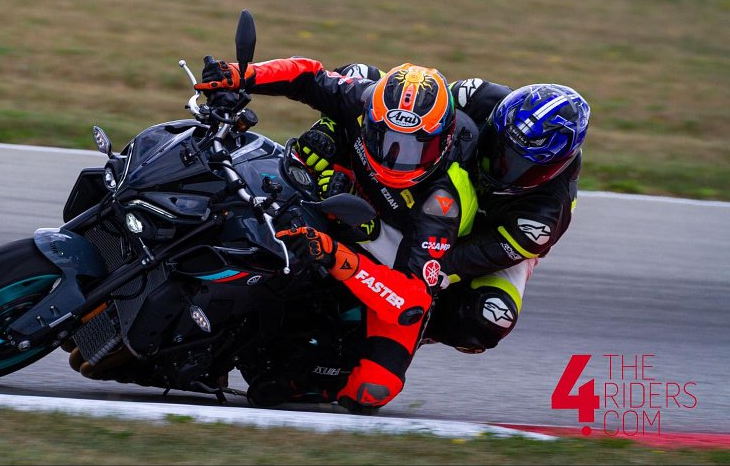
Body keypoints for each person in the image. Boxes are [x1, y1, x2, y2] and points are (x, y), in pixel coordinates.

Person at [195, 56, 479, 413]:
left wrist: (335, 255)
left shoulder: (442, 203)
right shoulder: (362, 98)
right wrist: (243, 74)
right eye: (387, 140)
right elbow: (307, 75)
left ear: (443, 141)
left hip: (394, 262)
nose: (395, 159)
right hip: (346, 211)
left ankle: (296, 365)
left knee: (371, 389)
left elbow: (410, 301)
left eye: (414, 148)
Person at [297, 64, 591, 355]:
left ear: (554, 168)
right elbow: (420, 109)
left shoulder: (543, 218)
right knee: (360, 73)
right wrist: (332, 125)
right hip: (439, 176)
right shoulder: (477, 95)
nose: (498, 164)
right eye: (497, 146)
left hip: (484, 234)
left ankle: (413, 327)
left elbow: (461, 259)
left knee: (490, 318)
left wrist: (413, 271)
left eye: (520, 165)